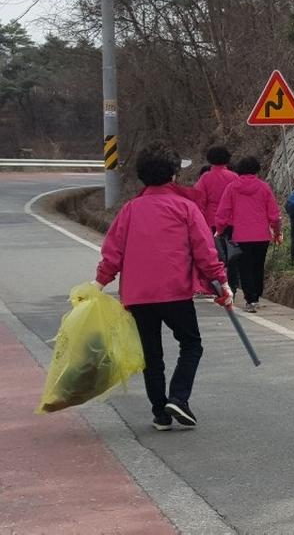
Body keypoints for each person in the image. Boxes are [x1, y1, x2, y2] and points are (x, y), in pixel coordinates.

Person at [94, 142, 232, 431]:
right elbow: (205, 252)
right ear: (173, 175)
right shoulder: (185, 207)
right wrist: (222, 285)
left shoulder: (130, 210)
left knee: (151, 355)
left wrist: (99, 283)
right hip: (175, 292)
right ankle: (179, 398)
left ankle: (160, 412)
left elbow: (112, 253)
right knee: (191, 344)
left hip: (137, 296)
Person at [216, 156, 282, 313]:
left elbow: (223, 211)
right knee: (258, 266)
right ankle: (257, 296)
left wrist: (220, 229)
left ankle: (250, 299)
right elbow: (273, 214)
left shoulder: (232, 187)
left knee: (244, 267)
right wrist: (277, 231)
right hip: (261, 235)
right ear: (257, 169)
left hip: (241, 235)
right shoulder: (264, 187)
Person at [194, 145, 240, 291]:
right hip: (233, 220)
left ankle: (218, 285)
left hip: (212, 221)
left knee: (216, 255)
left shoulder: (205, 178)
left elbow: (199, 200)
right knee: (233, 254)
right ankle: (233, 284)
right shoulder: (234, 177)